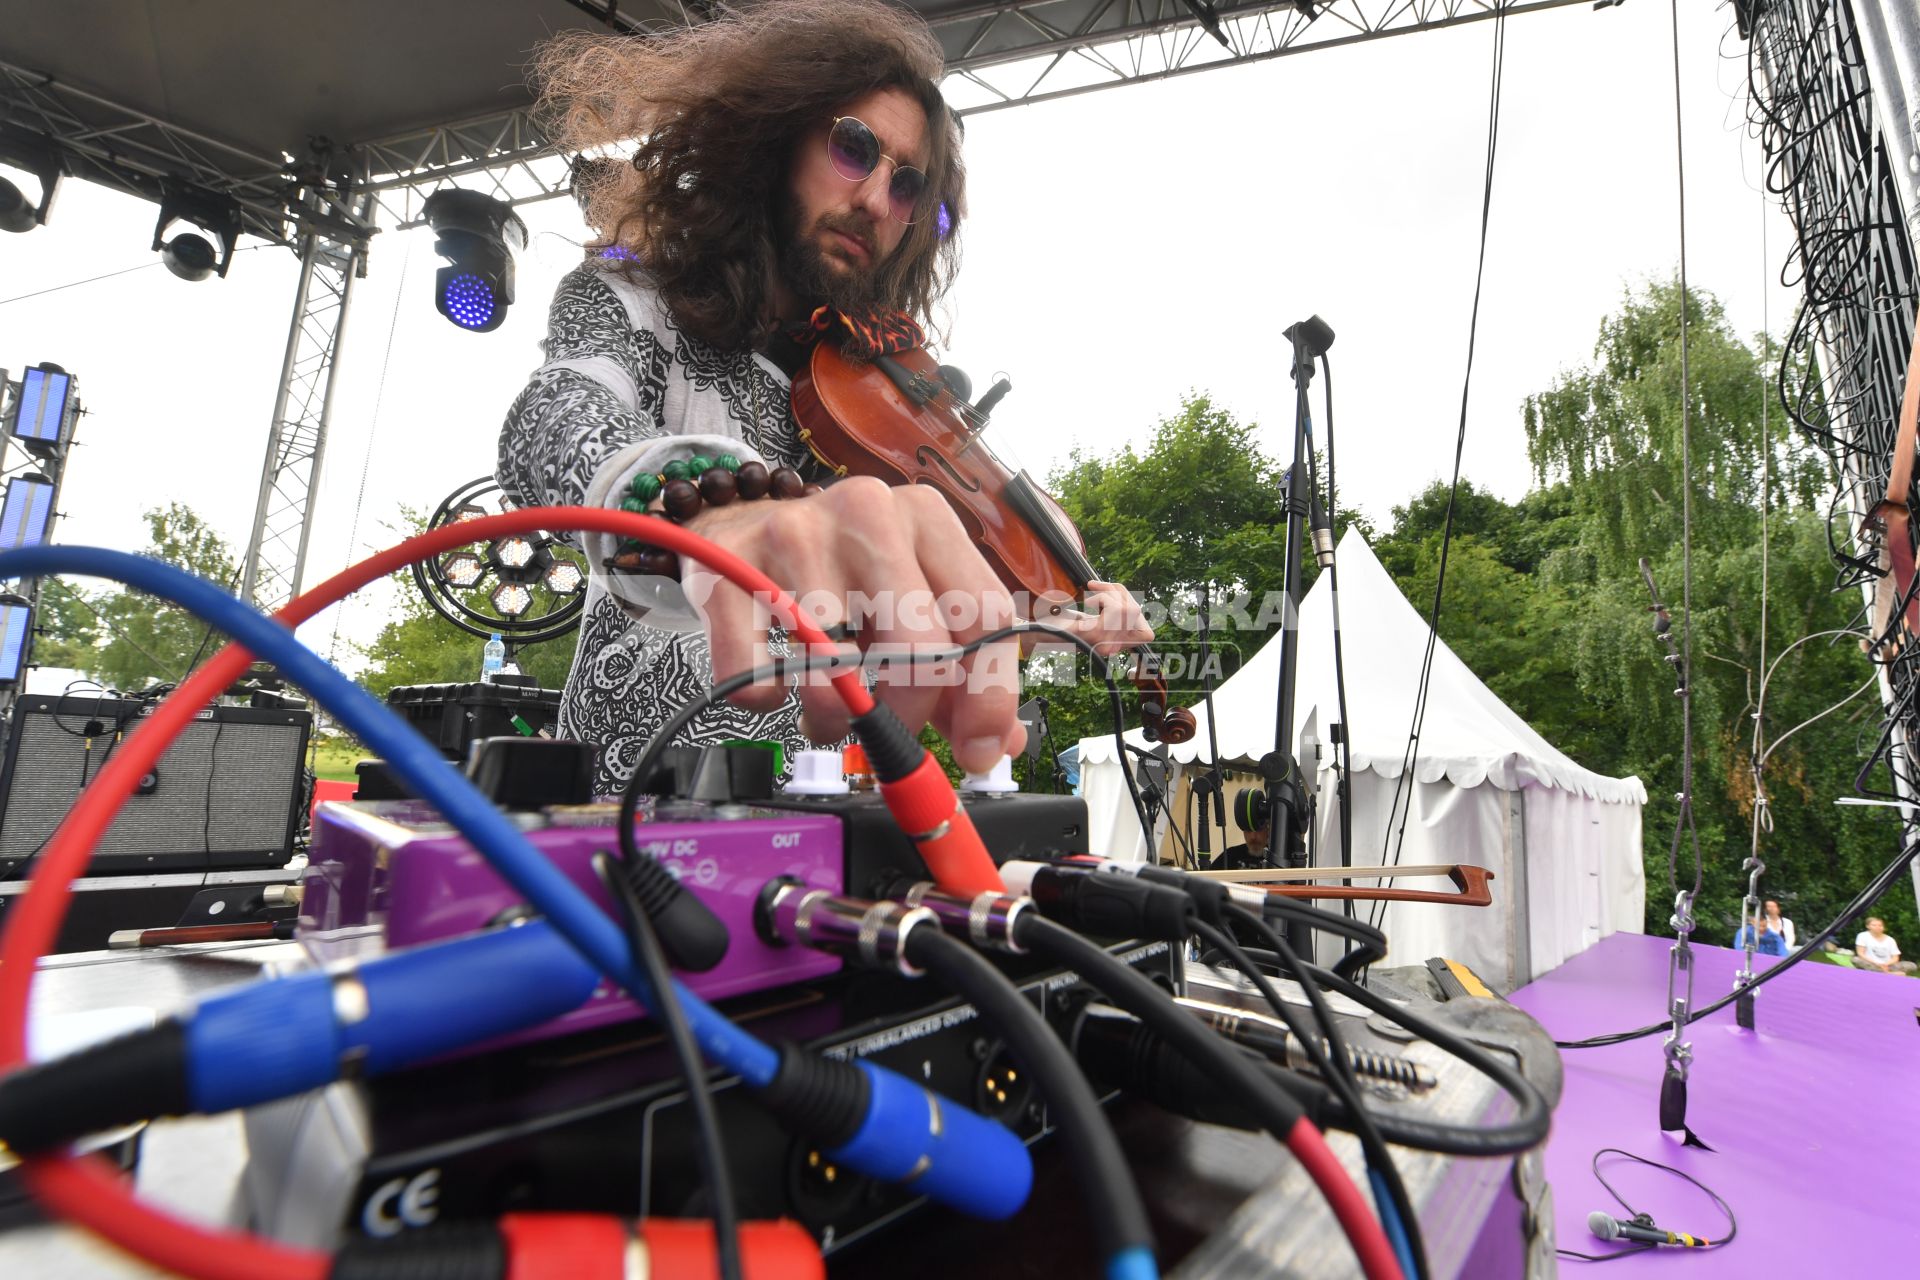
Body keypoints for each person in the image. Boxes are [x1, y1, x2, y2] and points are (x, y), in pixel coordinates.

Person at [498, 1, 1150, 792]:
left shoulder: (867, 393)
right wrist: (710, 507)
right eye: (855, 149)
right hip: (622, 800)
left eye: (907, 185)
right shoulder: (632, 298)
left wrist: (1066, 619)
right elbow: (554, 418)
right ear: (774, 139)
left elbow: (941, 604)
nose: (879, 201)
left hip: (812, 809)